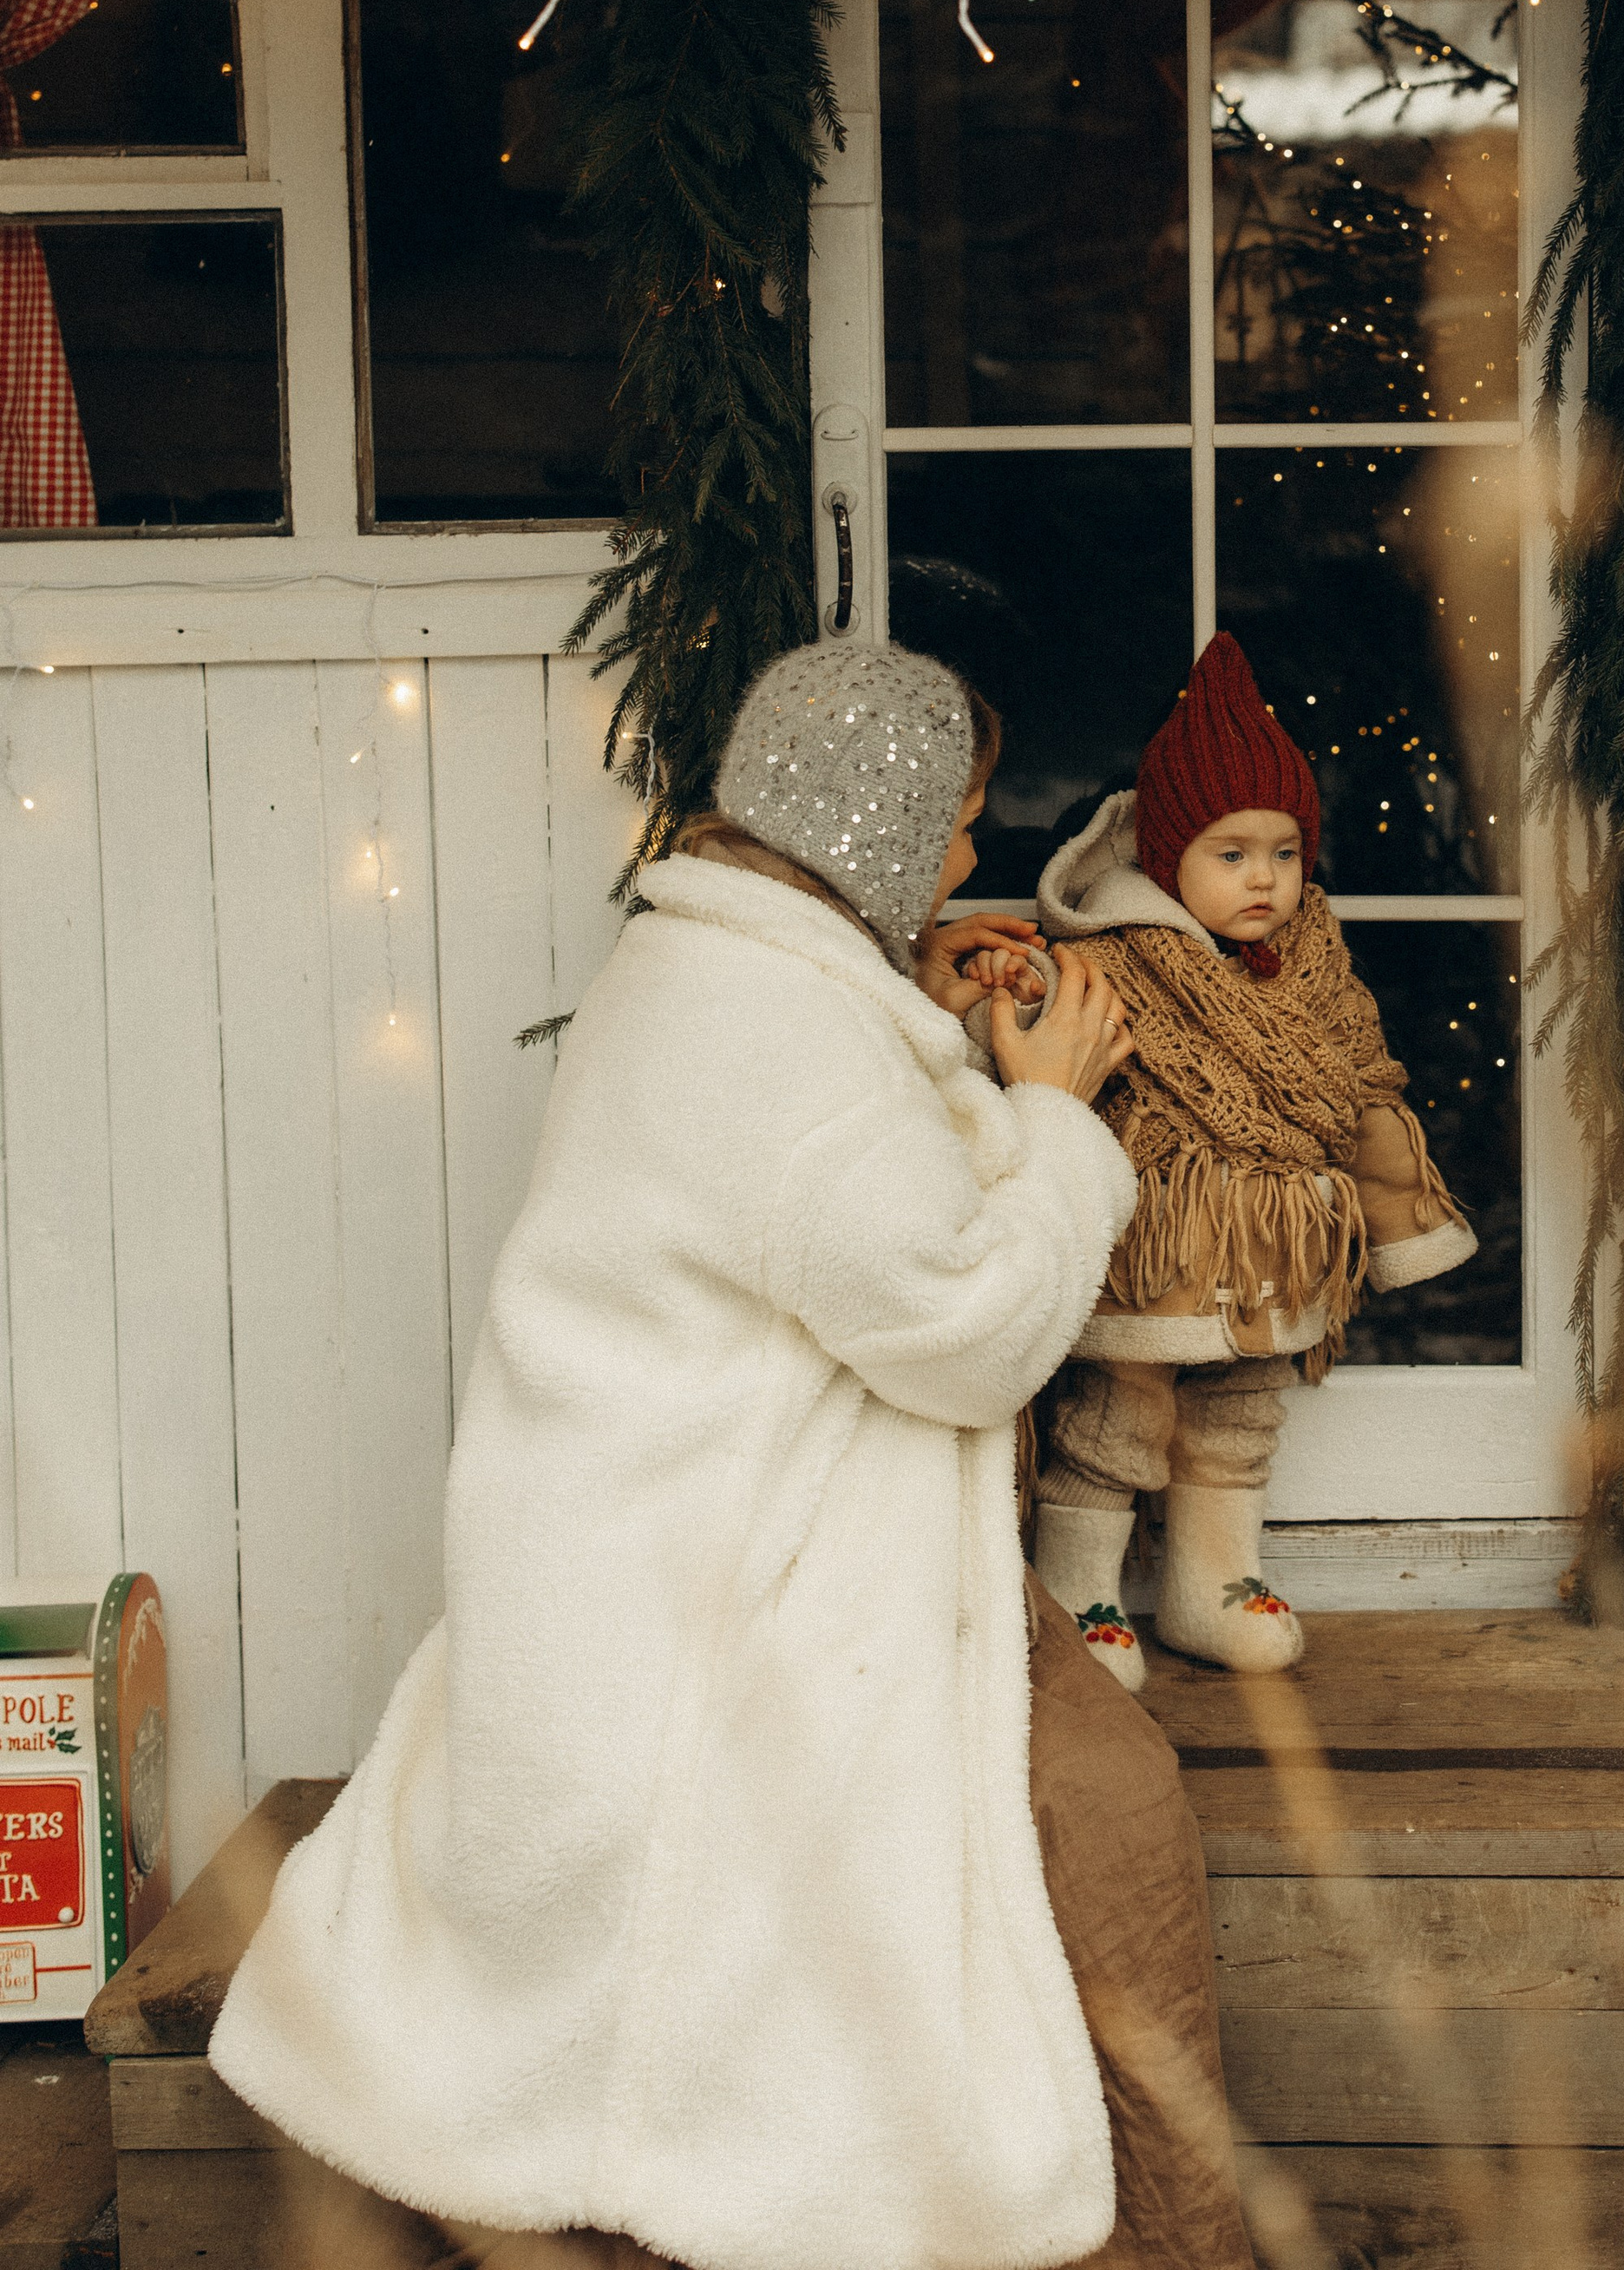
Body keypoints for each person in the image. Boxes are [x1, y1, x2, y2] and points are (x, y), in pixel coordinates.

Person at [211, 640, 1254, 2270]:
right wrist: (1052, 1115)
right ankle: (1133, 2236)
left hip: (614, 1561)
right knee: (1107, 1820)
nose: (977, 857)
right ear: (886, 831)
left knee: (1086, 1795)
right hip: (704, 1615)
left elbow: (833, 1225)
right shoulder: (788, 1051)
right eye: (962, 824)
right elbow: (967, 1326)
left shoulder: (709, 976)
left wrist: (933, 1023)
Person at [1029, 633, 1477, 1688]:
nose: (1265, 879)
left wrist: (1402, 1224)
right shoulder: (1115, 961)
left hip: (1278, 1252)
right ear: (1166, 855)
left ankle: (1210, 1588)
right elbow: (1053, 1071)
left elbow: (1363, 1090)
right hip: (1155, 1253)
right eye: (1230, 855)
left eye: (1283, 851)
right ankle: (1076, 1590)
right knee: (1116, 1423)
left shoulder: (1321, 965)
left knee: (1238, 1419)